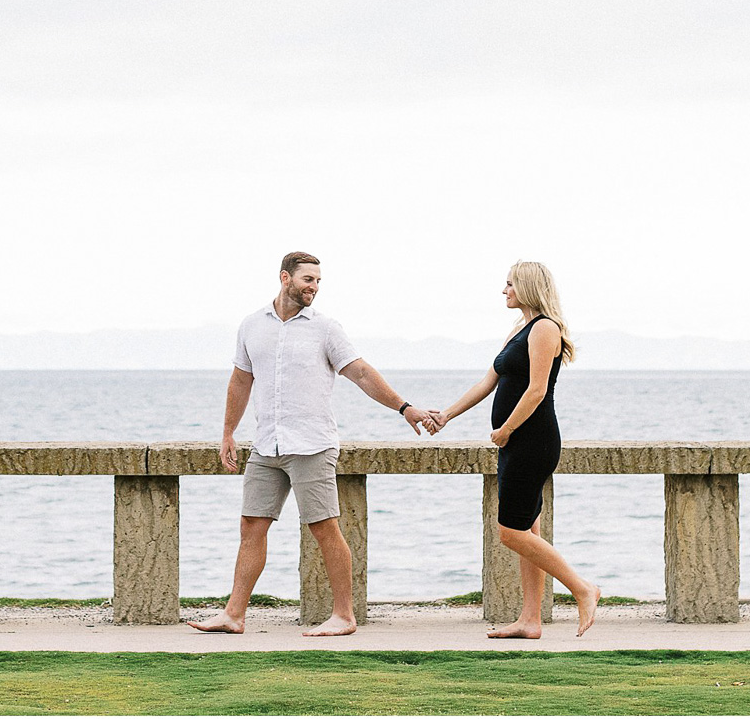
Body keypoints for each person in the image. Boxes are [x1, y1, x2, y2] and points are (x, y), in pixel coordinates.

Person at [188, 251, 442, 637]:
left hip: (313, 446)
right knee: (250, 527)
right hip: (266, 447)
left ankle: (344, 616)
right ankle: (234, 615)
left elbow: (360, 372)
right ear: (285, 278)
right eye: (308, 279)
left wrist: (404, 407)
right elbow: (241, 380)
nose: (315, 287)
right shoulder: (252, 325)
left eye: (319, 281)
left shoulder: (325, 328)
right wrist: (228, 432)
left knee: (324, 528)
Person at [432, 260, 601, 638]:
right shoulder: (519, 330)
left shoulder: (544, 328)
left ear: (526, 286)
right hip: (518, 440)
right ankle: (530, 620)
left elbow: (537, 389)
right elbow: (486, 383)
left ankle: (583, 588)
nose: (504, 290)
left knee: (510, 532)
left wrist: (506, 429)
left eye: (509, 284)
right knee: (528, 528)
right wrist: (445, 416)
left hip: (532, 439)